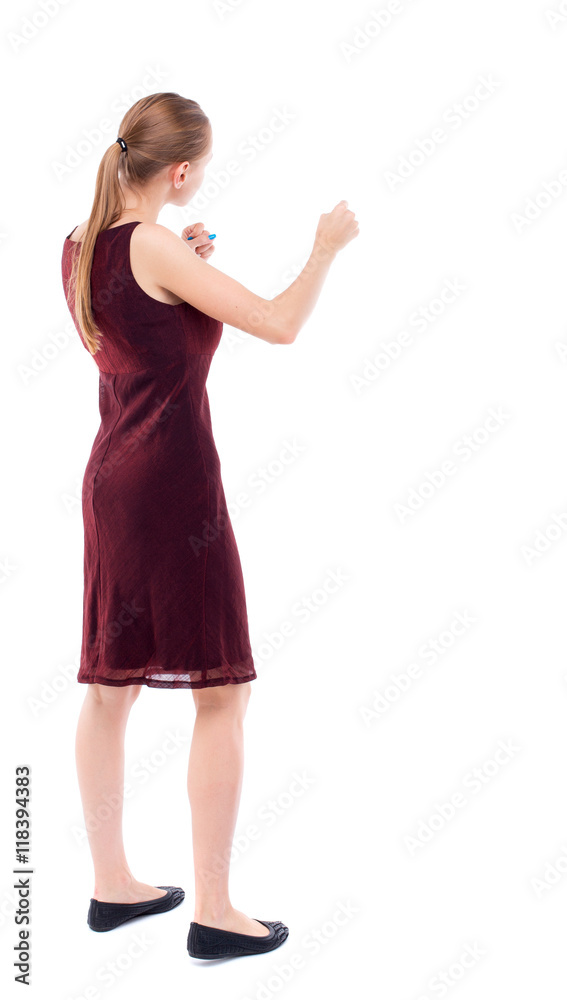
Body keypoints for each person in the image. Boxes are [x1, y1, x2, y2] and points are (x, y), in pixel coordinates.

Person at [61, 91, 359, 961]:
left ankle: (113, 886)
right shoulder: (152, 245)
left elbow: (141, 341)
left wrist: (182, 267)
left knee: (109, 684)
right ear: (182, 170)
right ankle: (216, 911)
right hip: (173, 490)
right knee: (220, 689)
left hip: (112, 482)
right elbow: (279, 323)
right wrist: (324, 249)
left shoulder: (81, 246)